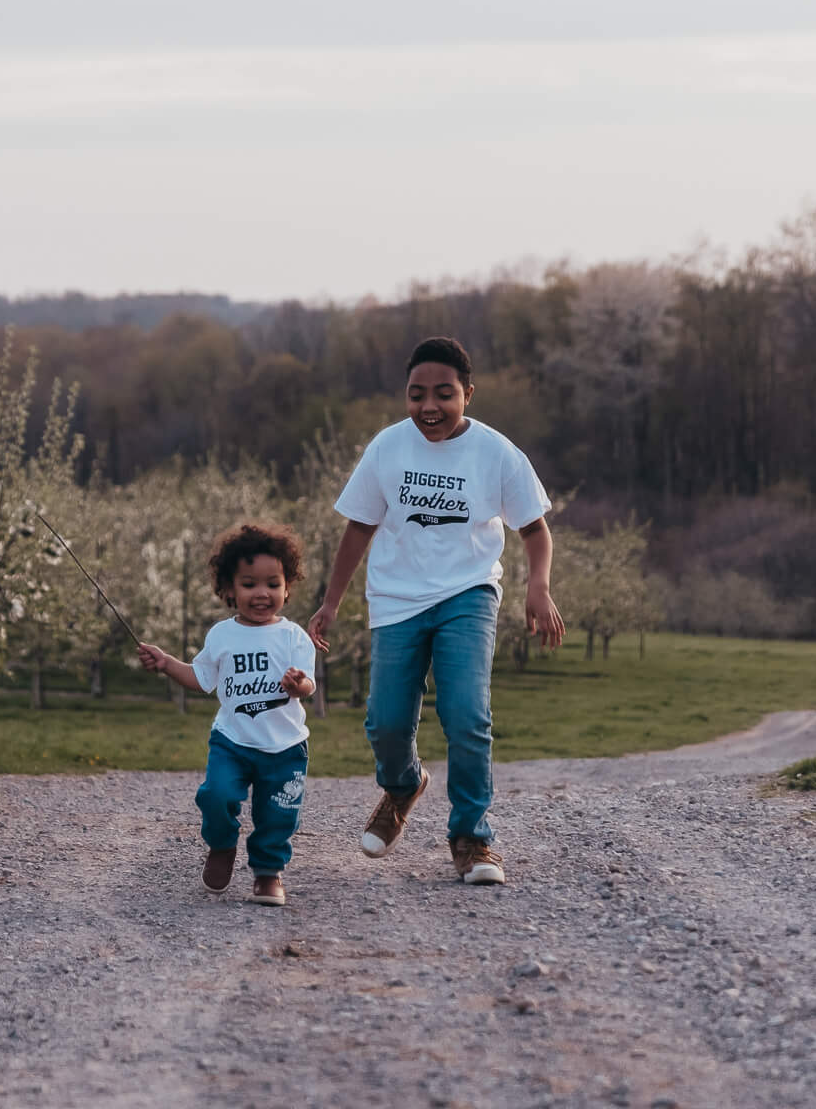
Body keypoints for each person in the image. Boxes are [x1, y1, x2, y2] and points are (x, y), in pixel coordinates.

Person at [307, 336, 563, 885]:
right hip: (397, 599)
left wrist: (537, 587)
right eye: (416, 394)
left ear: (468, 394)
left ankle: (473, 837)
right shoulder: (387, 448)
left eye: (444, 394)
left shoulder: (496, 453)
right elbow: (359, 527)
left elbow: (535, 530)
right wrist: (331, 602)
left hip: (468, 595)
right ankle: (402, 786)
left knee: (468, 715)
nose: (429, 407)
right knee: (386, 723)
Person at [137, 523, 319, 906]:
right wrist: (167, 663)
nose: (262, 593)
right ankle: (221, 845)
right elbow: (202, 679)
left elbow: (309, 687)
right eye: (249, 584)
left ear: (287, 587)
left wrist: (298, 684)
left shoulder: (294, 637)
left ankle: (268, 874)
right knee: (216, 794)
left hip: (285, 746)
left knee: (278, 815)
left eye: (273, 584)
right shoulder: (221, 635)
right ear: (229, 590)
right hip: (232, 741)